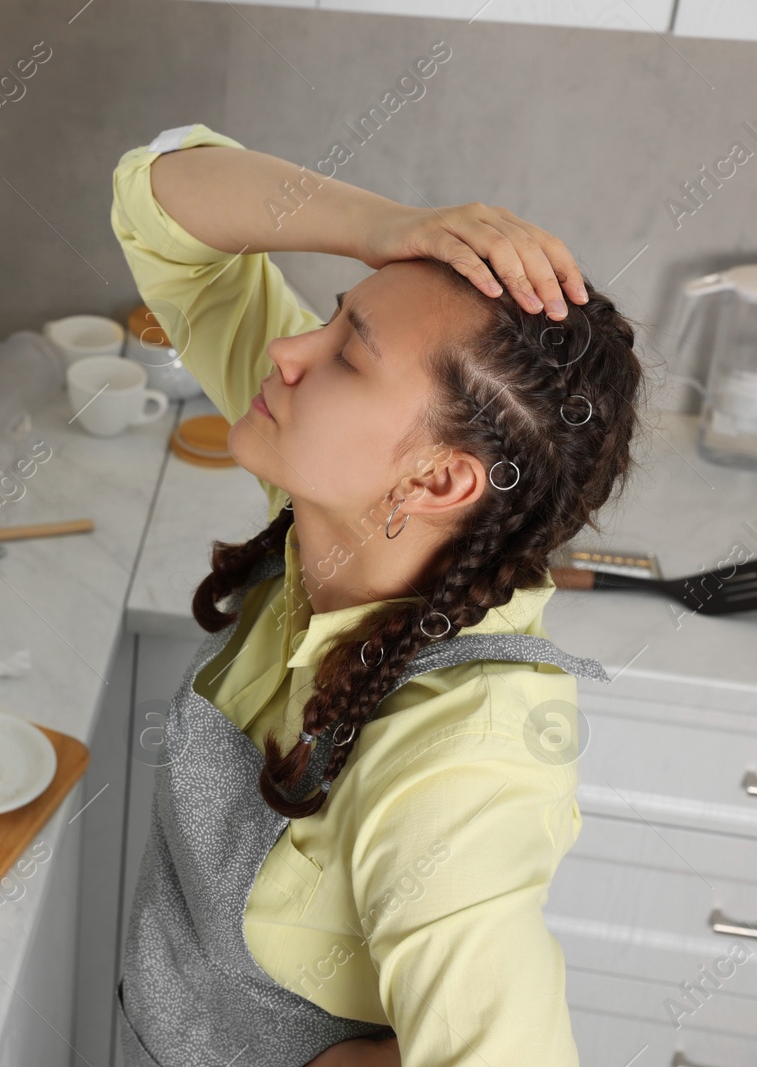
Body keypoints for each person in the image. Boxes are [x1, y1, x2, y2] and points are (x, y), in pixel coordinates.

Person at [109, 123, 644, 1067]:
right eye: (334, 315)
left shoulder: (468, 759)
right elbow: (163, 202)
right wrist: (386, 227)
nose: (286, 348)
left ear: (436, 483)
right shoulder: (336, 507)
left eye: (348, 356)